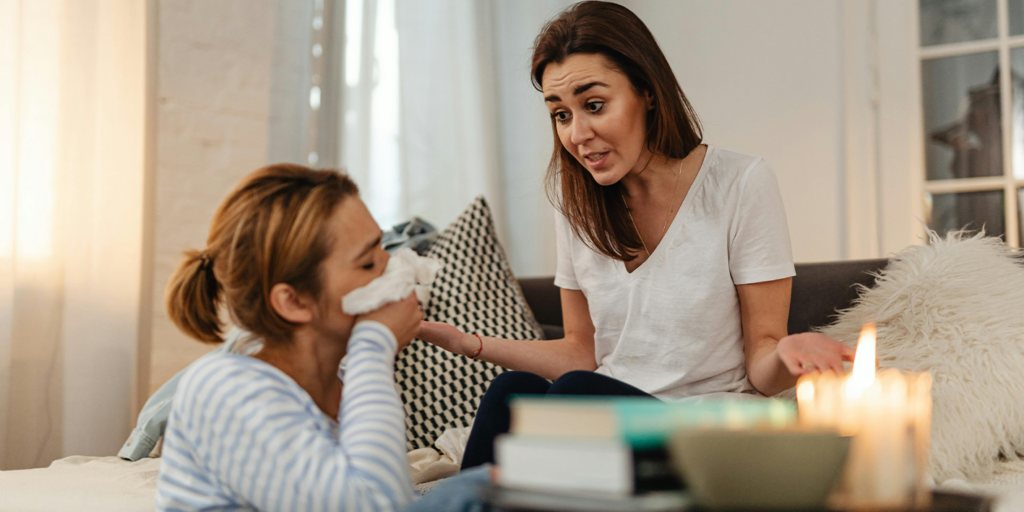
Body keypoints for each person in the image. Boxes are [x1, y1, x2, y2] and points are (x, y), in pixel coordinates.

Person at [417, 0, 855, 470]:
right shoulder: (576, 206)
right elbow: (579, 353)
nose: (577, 133)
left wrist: (787, 351)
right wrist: (469, 344)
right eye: (560, 114)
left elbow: (762, 367)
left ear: (647, 91)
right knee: (510, 392)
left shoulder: (740, 183)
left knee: (572, 396)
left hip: (707, 430)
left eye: (594, 105)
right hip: (601, 411)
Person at [154, 164, 487, 512]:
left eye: (382, 248)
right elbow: (372, 505)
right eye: (367, 264)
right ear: (294, 302)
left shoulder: (339, 387)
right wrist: (374, 346)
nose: (392, 267)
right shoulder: (225, 389)